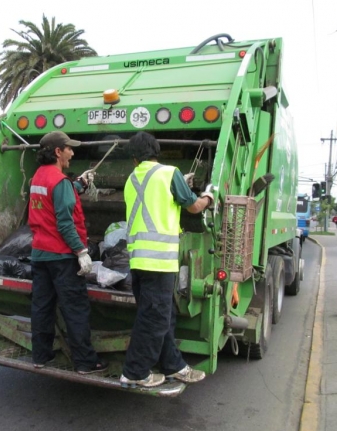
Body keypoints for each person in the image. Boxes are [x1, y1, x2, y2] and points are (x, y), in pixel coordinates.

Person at [120, 131, 213, 388]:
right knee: (154, 319)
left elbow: (152, 198)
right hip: (159, 261)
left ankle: (174, 366)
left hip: (138, 261)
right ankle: (135, 372)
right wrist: (208, 197)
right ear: (157, 151)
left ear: (134, 158)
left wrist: (179, 182)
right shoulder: (168, 173)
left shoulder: (131, 179)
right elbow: (193, 207)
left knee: (164, 315)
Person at [28, 131, 108, 375]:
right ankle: (85, 362)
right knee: (75, 309)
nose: (73, 153)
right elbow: (64, 222)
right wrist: (81, 251)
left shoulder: (38, 178)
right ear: (57, 152)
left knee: (42, 307)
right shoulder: (59, 181)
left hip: (40, 253)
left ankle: (41, 356)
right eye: (69, 148)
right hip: (62, 257)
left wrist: (79, 184)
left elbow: (53, 200)